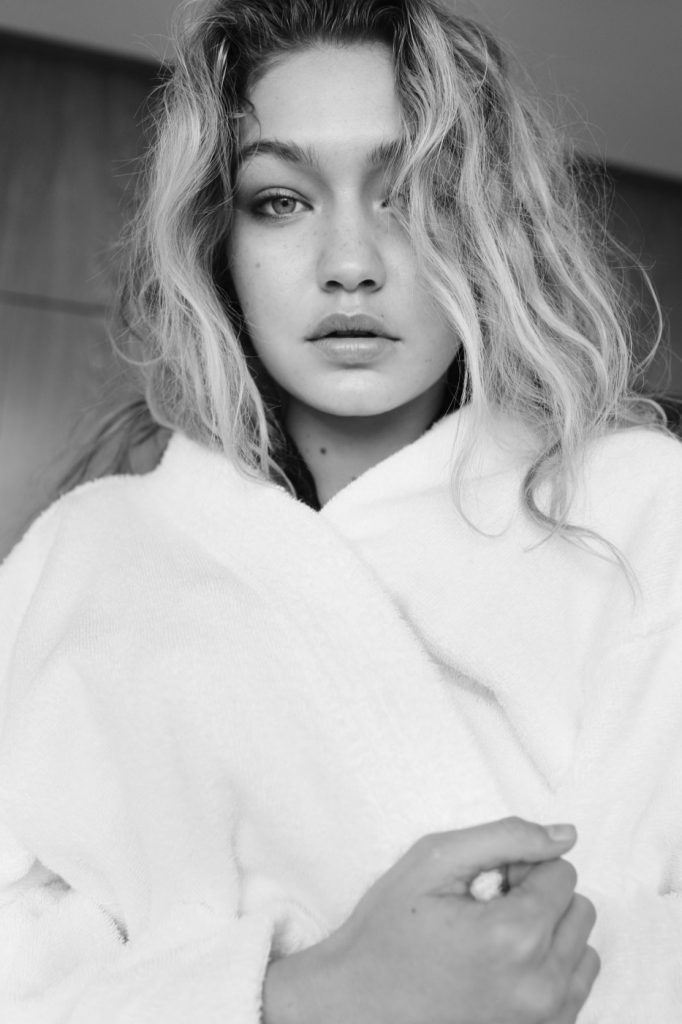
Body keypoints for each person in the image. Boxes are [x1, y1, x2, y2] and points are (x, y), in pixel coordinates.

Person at [0, 0, 680, 1021]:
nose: (350, 261)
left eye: (410, 194)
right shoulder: (84, 560)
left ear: (487, 226)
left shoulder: (644, 513)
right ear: (218, 239)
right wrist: (306, 998)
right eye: (281, 200)